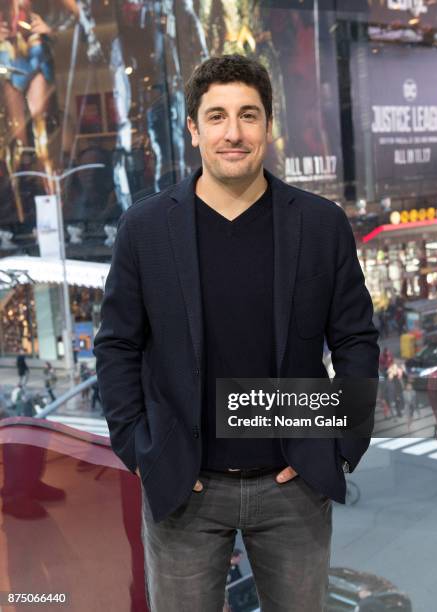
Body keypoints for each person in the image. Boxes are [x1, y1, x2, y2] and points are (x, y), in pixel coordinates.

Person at [94, 54, 380, 612]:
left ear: (267, 127)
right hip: (184, 486)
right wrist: (139, 449)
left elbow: (355, 340)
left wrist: (340, 445)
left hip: (291, 485)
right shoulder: (146, 229)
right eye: (218, 116)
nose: (234, 132)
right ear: (194, 129)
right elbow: (117, 346)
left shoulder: (320, 225)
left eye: (248, 115)